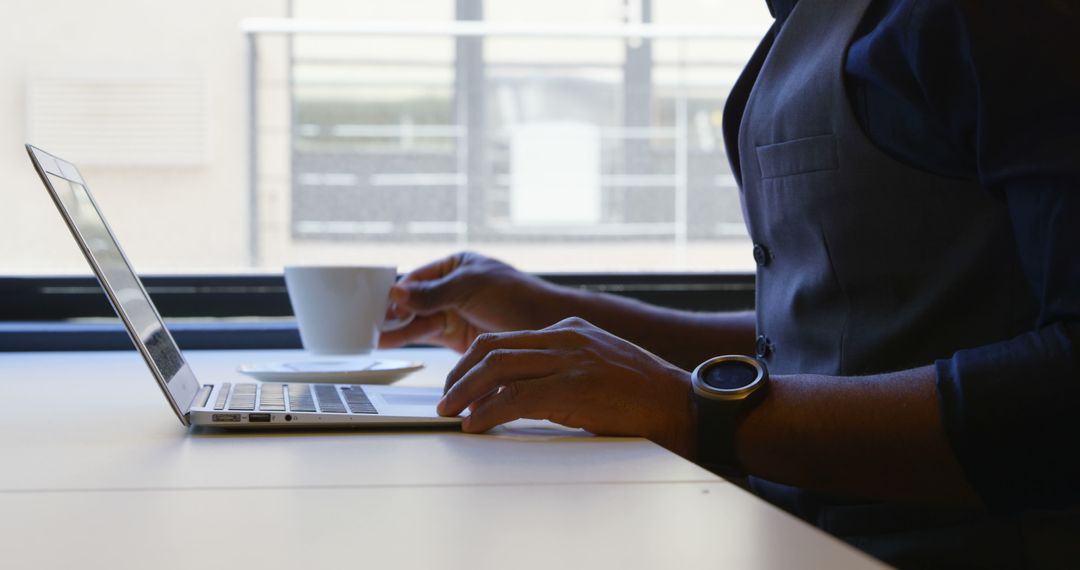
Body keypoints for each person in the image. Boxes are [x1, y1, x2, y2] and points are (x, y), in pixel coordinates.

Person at [380, 0, 1079, 567]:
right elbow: (820, 346)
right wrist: (550, 314)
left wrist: (696, 411)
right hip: (798, 528)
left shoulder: (991, 19)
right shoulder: (806, 26)